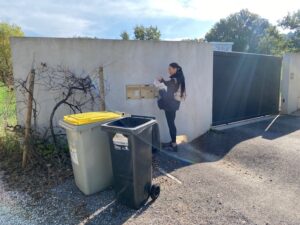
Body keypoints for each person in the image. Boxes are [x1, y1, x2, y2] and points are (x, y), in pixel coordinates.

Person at [157, 62, 186, 151]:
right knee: (171, 123)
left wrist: (160, 88)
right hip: (174, 104)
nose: (168, 71)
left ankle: (173, 144)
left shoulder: (176, 78)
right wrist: (163, 81)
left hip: (171, 104)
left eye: (170, 69)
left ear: (175, 68)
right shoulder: (179, 77)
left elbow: (169, 88)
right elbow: (169, 84)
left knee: (171, 123)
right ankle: (173, 143)